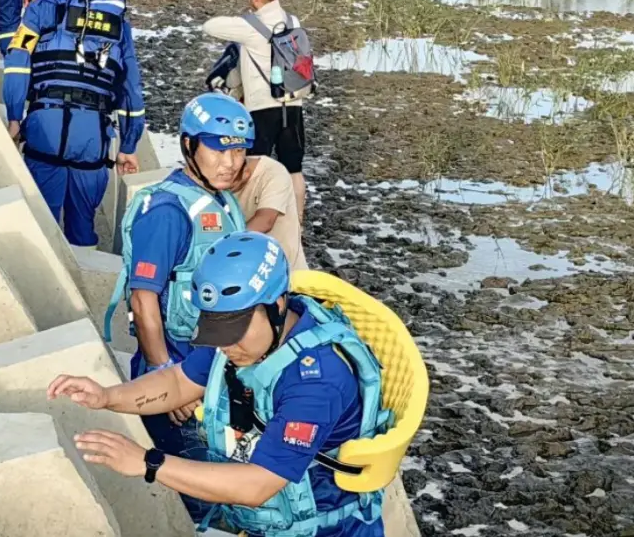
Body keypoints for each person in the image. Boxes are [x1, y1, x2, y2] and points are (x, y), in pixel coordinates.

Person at [53, 231, 388, 537]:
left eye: (235, 330)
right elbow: (179, 381)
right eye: (217, 330)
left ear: (277, 306)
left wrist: (148, 462)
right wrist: (108, 396)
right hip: (269, 523)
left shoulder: (316, 381)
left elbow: (257, 485)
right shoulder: (240, 343)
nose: (225, 345)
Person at [102, 92, 253, 518]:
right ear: (189, 145)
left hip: (216, 371)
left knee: (221, 488)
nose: (230, 162)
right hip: (177, 377)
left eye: (239, 151)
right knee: (202, 498)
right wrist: (164, 373)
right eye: (218, 149)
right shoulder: (168, 210)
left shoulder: (223, 201)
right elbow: (143, 298)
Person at [2, 0, 145, 247]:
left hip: (46, 127)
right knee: (83, 221)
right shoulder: (118, 23)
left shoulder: (42, 8)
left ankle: (49, 279)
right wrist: (129, 146)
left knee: (42, 220)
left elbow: (17, 61)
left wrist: (15, 116)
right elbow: (130, 88)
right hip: (93, 134)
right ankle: (85, 273)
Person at [204, 0, 311, 221]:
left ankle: (246, 219)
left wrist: (241, 19)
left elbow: (209, 26)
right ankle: (297, 222)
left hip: (262, 109)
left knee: (251, 165)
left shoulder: (249, 27)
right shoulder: (293, 20)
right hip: (293, 105)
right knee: (294, 169)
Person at [233, 155, 308, 272]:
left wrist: (220, 247)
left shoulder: (273, 172)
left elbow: (265, 221)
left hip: (287, 272)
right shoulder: (211, 177)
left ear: (246, 173)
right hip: (244, 271)